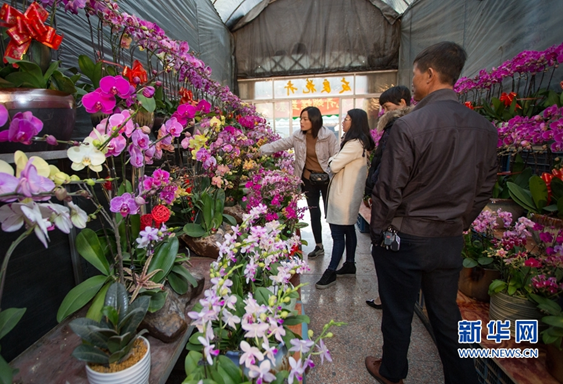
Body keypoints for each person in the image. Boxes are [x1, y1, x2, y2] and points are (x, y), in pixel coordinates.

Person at [365, 41, 497, 384]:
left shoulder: (408, 126)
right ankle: (463, 378)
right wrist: (459, 222)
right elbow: (485, 187)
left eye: (415, 75)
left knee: (398, 310)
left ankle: (393, 371)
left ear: (430, 74)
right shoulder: (484, 128)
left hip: (406, 238)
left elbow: (390, 188)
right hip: (448, 239)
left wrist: (378, 232)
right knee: (446, 315)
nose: (415, 82)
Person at [260, 106, 339, 258]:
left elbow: (335, 157)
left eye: (305, 119)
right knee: (314, 212)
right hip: (309, 179)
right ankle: (319, 245)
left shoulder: (328, 136)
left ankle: (337, 246)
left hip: (326, 179)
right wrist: (260, 149)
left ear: (314, 120)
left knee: (331, 213)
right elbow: (280, 144)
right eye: (301, 118)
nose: (301, 122)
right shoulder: (298, 136)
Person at [315, 109, 375, 289]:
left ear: (355, 122)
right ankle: (350, 264)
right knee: (348, 229)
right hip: (349, 194)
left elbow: (333, 165)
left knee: (338, 233)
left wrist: (332, 159)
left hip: (343, 196)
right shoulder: (360, 143)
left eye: (347, 119)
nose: (343, 122)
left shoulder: (354, 144)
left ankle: (331, 270)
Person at [365, 86, 413, 310]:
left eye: (387, 107)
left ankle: (387, 298)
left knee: (386, 251)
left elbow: (389, 170)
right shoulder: (396, 126)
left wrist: (376, 194)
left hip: (393, 204)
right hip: (394, 202)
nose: (384, 112)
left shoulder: (399, 128)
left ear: (402, 103)